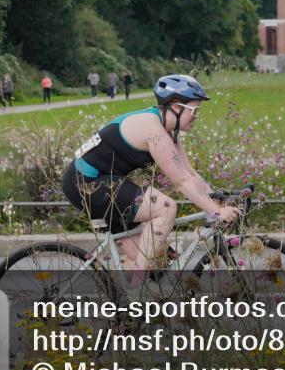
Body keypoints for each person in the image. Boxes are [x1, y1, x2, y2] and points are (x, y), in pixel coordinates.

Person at [61, 74, 240, 288]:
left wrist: (216, 198)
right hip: (87, 183)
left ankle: (122, 310)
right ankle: (140, 292)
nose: (196, 116)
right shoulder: (153, 130)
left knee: (151, 259)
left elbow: (190, 175)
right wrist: (216, 211)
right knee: (165, 207)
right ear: (176, 106)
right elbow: (182, 181)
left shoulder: (167, 131)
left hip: (104, 182)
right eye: (194, 110)